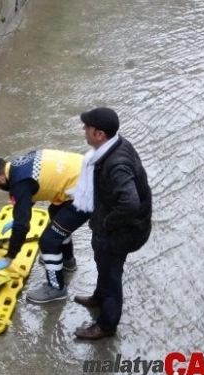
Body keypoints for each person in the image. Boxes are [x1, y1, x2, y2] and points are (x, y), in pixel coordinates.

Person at [71, 107, 152, 340]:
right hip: (114, 228)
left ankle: (106, 325)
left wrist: (106, 223)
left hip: (119, 233)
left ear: (100, 135)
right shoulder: (114, 145)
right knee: (103, 266)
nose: (84, 130)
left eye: (87, 127)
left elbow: (130, 203)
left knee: (111, 276)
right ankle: (98, 297)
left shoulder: (116, 164)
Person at [0, 149, 89, 303]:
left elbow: (22, 227)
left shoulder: (18, 184)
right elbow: (33, 186)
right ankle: (67, 261)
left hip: (89, 192)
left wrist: (9, 257)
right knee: (56, 213)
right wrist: (20, 216)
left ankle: (56, 288)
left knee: (49, 241)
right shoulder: (19, 164)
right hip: (87, 173)